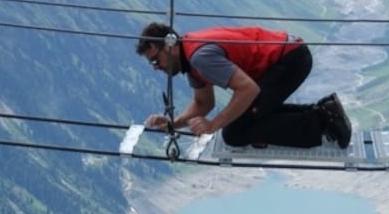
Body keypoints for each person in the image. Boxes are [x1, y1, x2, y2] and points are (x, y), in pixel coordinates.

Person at [135, 22, 352, 149]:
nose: (156, 67)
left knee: (235, 132)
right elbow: (203, 102)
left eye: (155, 60)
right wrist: (174, 123)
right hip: (288, 55)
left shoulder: (200, 58)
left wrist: (213, 125)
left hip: (289, 61)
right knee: (245, 119)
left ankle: (323, 122)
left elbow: (248, 90)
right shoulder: (190, 58)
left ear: (171, 45)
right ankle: (324, 112)